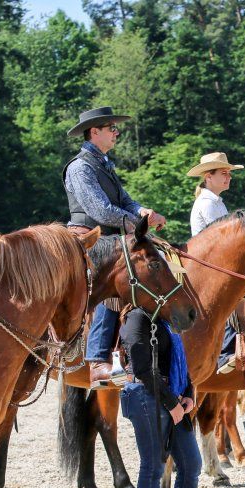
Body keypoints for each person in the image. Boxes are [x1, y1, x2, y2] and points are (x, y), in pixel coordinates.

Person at [63, 106, 166, 389]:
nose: (116, 132)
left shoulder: (104, 164)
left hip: (111, 238)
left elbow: (125, 201)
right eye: (112, 128)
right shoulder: (80, 167)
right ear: (94, 132)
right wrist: (137, 223)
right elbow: (100, 210)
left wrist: (143, 212)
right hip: (88, 238)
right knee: (115, 281)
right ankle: (98, 359)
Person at [118, 307, 217, 488]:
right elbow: (142, 368)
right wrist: (171, 402)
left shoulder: (166, 319)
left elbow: (178, 359)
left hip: (172, 395)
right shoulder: (136, 318)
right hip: (145, 396)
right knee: (152, 467)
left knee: (191, 463)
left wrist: (188, 392)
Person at [188, 152, 243, 236]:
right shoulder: (207, 203)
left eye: (229, 173)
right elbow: (222, 236)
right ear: (209, 177)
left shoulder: (216, 202)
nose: (230, 177)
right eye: (224, 173)